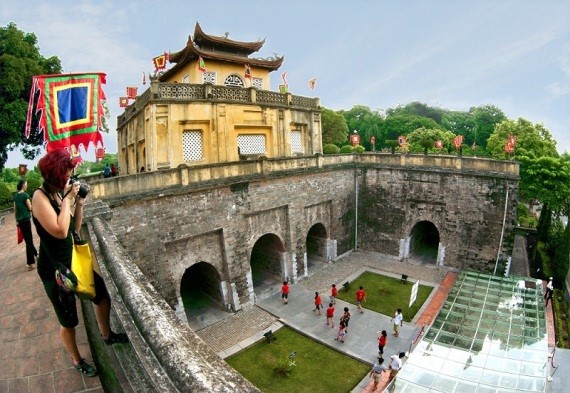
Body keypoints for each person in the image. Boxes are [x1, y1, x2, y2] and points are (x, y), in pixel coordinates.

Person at [32, 149, 128, 377]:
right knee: (68, 320)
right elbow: (59, 230)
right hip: (57, 269)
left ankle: (107, 335)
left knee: (102, 294)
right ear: (55, 175)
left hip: (73, 259)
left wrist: (80, 203)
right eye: (66, 175)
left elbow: (73, 230)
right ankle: (77, 360)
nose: (69, 178)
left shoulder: (57, 194)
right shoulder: (40, 197)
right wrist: (67, 199)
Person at [14, 179, 38, 269]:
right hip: (26, 221)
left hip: (20, 221)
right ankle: (30, 263)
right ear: (23, 185)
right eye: (26, 184)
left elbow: (15, 209)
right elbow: (30, 207)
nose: (27, 186)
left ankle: (36, 254)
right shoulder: (25, 195)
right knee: (29, 241)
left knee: (28, 240)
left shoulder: (15, 196)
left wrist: (16, 220)